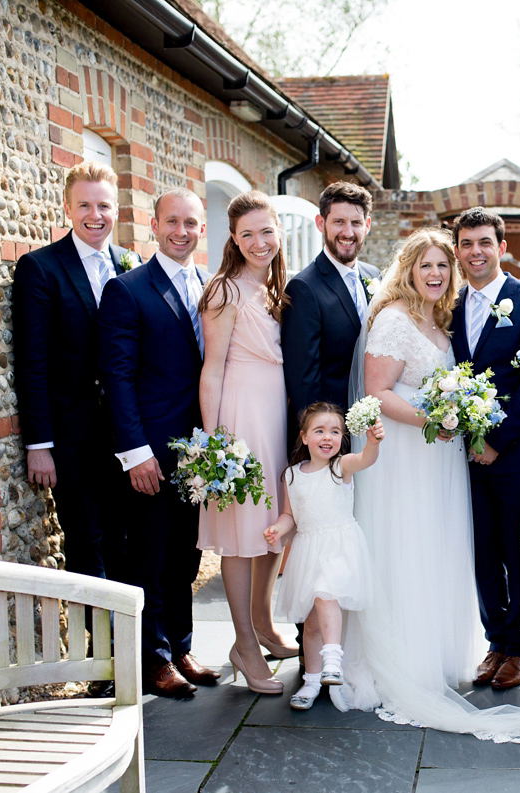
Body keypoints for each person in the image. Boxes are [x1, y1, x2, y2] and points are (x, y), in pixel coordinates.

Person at [335, 228, 520, 750]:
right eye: (432, 263)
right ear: (409, 268)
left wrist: (490, 437)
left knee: (502, 547)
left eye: (443, 265)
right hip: (429, 452)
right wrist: (448, 425)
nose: (442, 271)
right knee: (461, 550)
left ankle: (517, 648)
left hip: (495, 450)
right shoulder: (411, 318)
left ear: (500, 245)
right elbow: (380, 389)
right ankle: (482, 645)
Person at [99, 188, 219, 699]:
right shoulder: (126, 290)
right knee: (146, 558)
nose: (181, 231)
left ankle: (183, 645)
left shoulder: (211, 288)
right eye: (173, 221)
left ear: (202, 230)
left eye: (191, 223)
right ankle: (154, 657)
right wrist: (135, 452)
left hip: (198, 454)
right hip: (150, 452)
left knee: (185, 557)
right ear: (154, 225)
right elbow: (116, 377)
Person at [451, 207, 520, 691]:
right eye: (467, 244)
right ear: (458, 250)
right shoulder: (449, 307)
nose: (476, 252)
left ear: (502, 246)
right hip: (461, 454)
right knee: (482, 550)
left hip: (516, 452)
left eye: (484, 243)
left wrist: (495, 441)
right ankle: (495, 639)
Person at [197, 191, 297, 696]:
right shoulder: (225, 291)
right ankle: (243, 644)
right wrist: (213, 447)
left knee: (273, 524)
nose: (259, 243)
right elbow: (211, 370)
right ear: (234, 240)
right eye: (248, 234)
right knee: (240, 533)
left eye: (267, 232)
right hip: (239, 416)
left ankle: (263, 621)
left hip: (274, 413)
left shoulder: (274, 288)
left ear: (278, 233)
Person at [13, 161, 134, 581]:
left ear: (116, 209)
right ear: (67, 208)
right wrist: (39, 444)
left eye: (103, 205)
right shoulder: (40, 268)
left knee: (125, 537)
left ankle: (129, 641)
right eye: (84, 205)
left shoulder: (131, 263)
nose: (94, 216)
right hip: (70, 435)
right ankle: (102, 641)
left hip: (124, 431)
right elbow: (31, 362)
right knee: (86, 540)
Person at [264, 403, 381, 710]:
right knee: (311, 622)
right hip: (308, 549)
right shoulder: (291, 475)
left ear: (342, 438)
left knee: (325, 595)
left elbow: (366, 459)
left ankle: (333, 660)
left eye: (335, 431)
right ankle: (312, 681)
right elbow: (290, 515)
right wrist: (277, 528)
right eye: (319, 430)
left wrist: (372, 443)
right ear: (304, 437)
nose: (327, 437)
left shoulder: (340, 467)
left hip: (340, 547)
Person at [282, 181, 380, 449]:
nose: (348, 232)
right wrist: (319, 442)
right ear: (320, 222)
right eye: (338, 222)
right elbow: (304, 381)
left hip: (373, 429)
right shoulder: (304, 288)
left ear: (367, 225)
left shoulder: (375, 277)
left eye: (356, 223)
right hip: (333, 436)